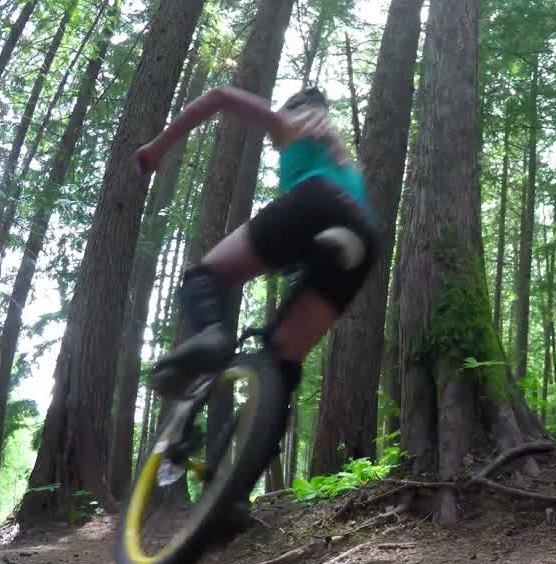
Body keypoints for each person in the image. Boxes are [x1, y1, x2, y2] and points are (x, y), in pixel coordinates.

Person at [135, 85, 376, 401]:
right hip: (364, 242)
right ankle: (262, 444)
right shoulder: (345, 161)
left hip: (318, 203)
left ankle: (212, 336)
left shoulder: (292, 124)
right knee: (282, 362)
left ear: (293, 107)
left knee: (203, 279)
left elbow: (219, 96)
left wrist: (156, 147)